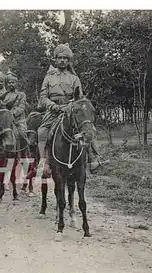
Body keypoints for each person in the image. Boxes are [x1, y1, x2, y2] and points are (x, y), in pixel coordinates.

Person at [35, 43, 105, 177]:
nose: (62, 60)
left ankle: (93, 158)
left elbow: (80, 97)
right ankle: (44, 163)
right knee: (42, 131)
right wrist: (53, 106)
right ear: (55, 59)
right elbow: (43, 97)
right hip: (53, 112)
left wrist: (70, 106)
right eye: (60, 58)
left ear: (68, 60)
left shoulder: (74, 78)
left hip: (71, 110)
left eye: (65, 58)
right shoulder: (49, 77)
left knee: (88, 129)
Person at [0, 71, 31, 146]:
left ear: (16, 83)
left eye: (13, 82)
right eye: (9, 83)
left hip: (18, 121)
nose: (11, 84)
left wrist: (13, 113)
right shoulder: (4, 96)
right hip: (6, 122)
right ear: (7, 84)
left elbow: (21, 107)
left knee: (22, 135)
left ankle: (26, 152)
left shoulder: (21, 94)